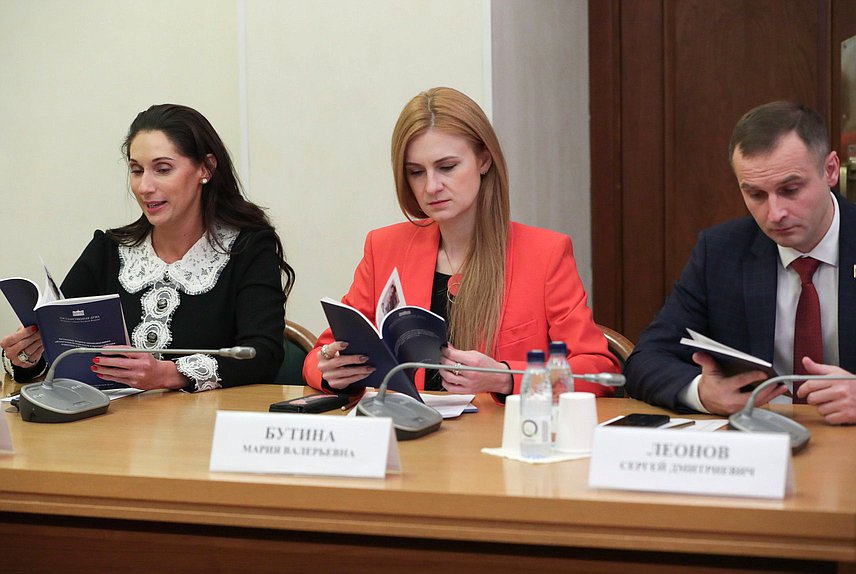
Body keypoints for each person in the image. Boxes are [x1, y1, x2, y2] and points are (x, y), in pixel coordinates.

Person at [303, 87, 619, 399]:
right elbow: (317, 357)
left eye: (447, 167)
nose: (431, 186)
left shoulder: (545, 253)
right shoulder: (384, 246)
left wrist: (505, 378)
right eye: (416, 172)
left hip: (498, 440)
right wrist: (332, 373)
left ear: (484, 160)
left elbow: (597, 371)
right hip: (410, 437)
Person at [1, 104, 294, 391]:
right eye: (137, 170)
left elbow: (262, 354)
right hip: (110, 430)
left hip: (204, 430)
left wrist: (169, 374)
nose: (144, 187)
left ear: (206, 168)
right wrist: (29, 358)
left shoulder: (247, 248)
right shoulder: (108, 250)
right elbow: (64, 351)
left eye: (162, 169)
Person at [624, 100, 856, 425]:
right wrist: (701, 392)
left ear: (830, 170)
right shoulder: (721, 251)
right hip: (756, 442)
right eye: (756, 195)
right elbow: (647, 358)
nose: (775, 214)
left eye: (790, 190)